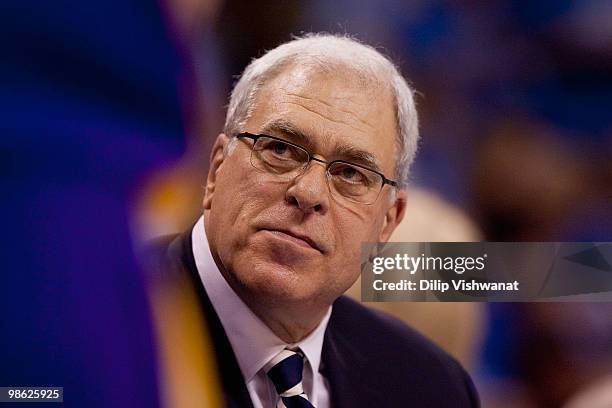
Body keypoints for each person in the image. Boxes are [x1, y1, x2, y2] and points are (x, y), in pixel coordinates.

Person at [151, 33, 479, 407]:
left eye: (351, 174)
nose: (308, 193)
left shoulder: (432, 388)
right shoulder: (95, 315)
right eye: (280, 149)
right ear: (216, 169)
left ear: (387, 223)